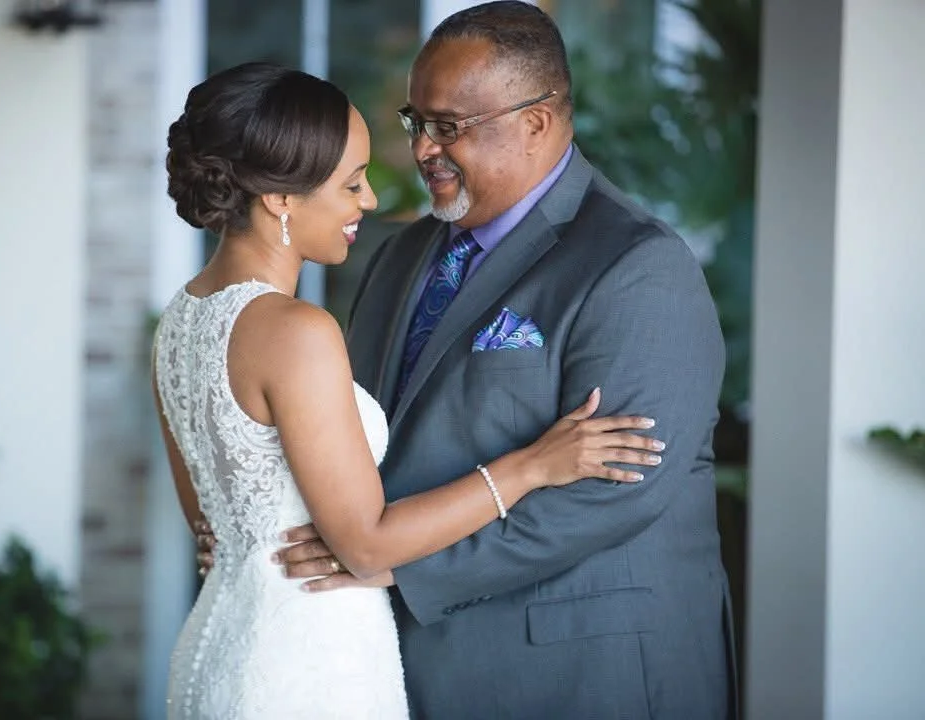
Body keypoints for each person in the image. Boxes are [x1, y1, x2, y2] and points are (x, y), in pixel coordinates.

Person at [251, 2, 737, 718]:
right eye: (418, 122)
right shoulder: (397, 256)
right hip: (413, 664)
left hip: (580, 671)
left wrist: (389, 559)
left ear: (536, 121)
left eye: (449, 127)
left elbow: (615, 486)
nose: (421, 150)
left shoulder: (637, 265)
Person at [153, 61, 665, 719]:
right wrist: (530, 467)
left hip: (218, 648)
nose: (367, 202)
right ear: (281, 198)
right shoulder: (294, 331)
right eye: (352, 183)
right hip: (308, 659)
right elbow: (364, 545)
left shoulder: (180, 320)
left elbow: (208, 526)